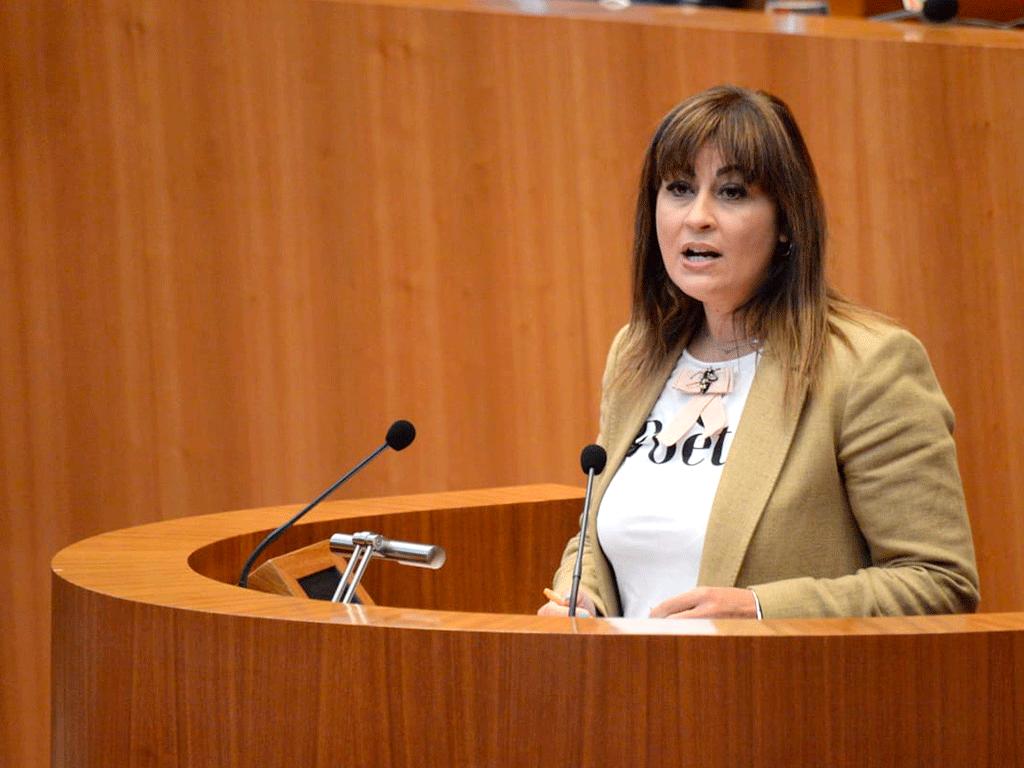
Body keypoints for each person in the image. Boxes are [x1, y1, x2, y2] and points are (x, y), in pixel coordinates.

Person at [539, 85, 979, 620]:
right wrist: (581, 596)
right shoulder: (636, 352)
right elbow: (595, 534)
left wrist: (762, 609)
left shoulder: (867, 367)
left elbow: (937, 583)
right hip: (635, 693)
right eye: (678, 188)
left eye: (731, 193)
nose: (697, 217)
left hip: (776, 693)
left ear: (787, 222)